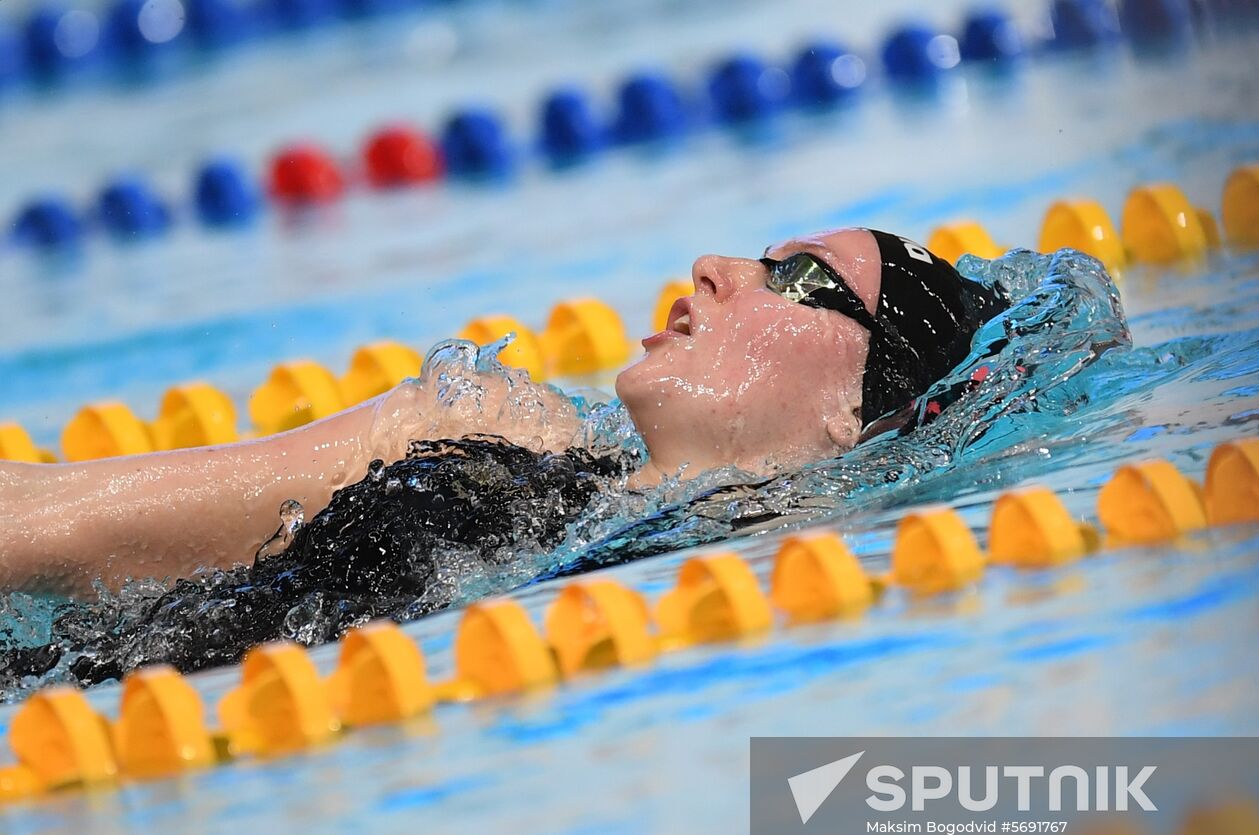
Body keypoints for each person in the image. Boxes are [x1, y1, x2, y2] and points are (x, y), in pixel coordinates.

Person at [0, 227, 1009, 685]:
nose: (716, 265)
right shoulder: (480, 429)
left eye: (795, 277)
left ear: (856, 414)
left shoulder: (751, 616)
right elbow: (62, 525)